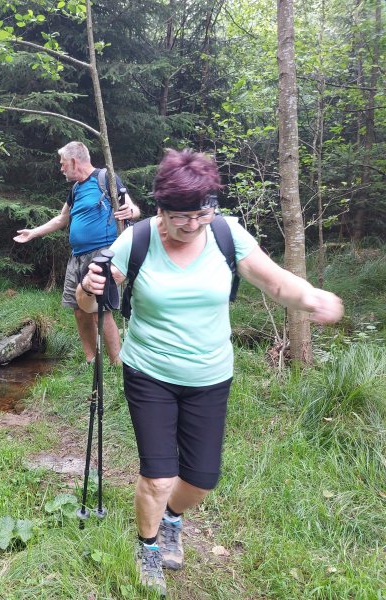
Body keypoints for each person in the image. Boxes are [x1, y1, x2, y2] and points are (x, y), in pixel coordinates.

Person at [77, 148, 344, 596]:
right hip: (150, 373)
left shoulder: (226, 234)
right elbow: (89, 305)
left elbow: (276, 281)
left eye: (202, 214)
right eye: (182, 217)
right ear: (161, 209)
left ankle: (172, 521)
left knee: (201, 478)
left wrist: (312, 297)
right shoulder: (136, 241)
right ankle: (148, 549)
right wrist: (89, 288)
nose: (193, 224)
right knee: (159, 475)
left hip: (210, 375)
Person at [13, 141, 140, 365]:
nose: (61, 168)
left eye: (63, 164)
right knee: (79, 310)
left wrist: (131, 210)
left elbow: (133, 209)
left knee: (101, 310)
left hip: (102, 255)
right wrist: (33, 233)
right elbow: (62, 219)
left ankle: (117, 363)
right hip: (77, 257)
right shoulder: (76, 189)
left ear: (74, 161)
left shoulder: (105, 178)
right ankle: (91, 360)